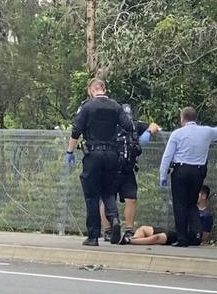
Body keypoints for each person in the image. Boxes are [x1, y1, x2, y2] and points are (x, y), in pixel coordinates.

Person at [66, 78, 134, 246]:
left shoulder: (87, 106)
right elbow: (128, 126)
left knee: (91, 195)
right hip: (112, 155)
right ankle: (115, 219)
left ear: (91, 90)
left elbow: (76, 130)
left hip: (93, 155)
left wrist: (70, 151)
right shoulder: (116, 106)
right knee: (109, 191)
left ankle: (93, 236)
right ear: (104, 89)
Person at [159, 107, 217, 247]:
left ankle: (182, 238)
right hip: (198, 172)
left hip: (181, 171)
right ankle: (197, 235)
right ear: (195, 118)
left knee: (179, 205)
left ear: (182, 119)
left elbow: (167, 156)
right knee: (191, 204)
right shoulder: (207, 131)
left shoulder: (177, 134)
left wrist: (163, 175)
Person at [100, 105, 161, 242]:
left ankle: (129, 230)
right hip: (110, 169)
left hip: (127, 170)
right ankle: (108, 231)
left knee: (131, 199)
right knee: (106, 200)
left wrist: (148, 133)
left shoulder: (135, 126)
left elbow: (154, 125)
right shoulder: (109, 127)